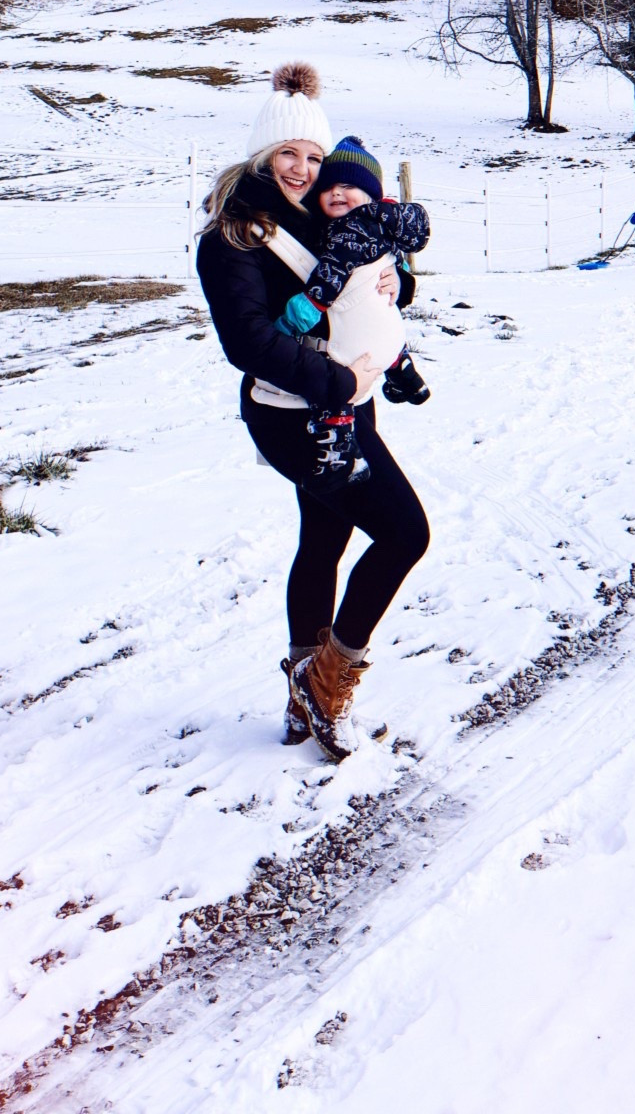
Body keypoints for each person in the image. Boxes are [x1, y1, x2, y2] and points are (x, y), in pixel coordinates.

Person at [196, 63, 431, 764]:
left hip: (341, 405)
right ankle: (327, 685)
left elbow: (363, 279)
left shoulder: (315, 214)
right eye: (286, 155)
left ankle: (304, 693)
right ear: (261, 156)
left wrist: (399, 278)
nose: (301, 169)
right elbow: (249, 342)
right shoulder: (232, 238)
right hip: (296, 415)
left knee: (324, 543)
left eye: (311, 156)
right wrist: (336, 378)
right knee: (404, 534)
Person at [278, 136, 433, 481]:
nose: (336, 193)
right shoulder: (383, 223)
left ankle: (338, 448)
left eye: (348, 186)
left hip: (344, 356)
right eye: (329, 186)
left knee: (336, 387)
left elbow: (332, 272)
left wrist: (307, 308)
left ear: (371, 195)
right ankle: (402, 371)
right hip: (383, 337)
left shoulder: (350, 227)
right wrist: (399, 271)